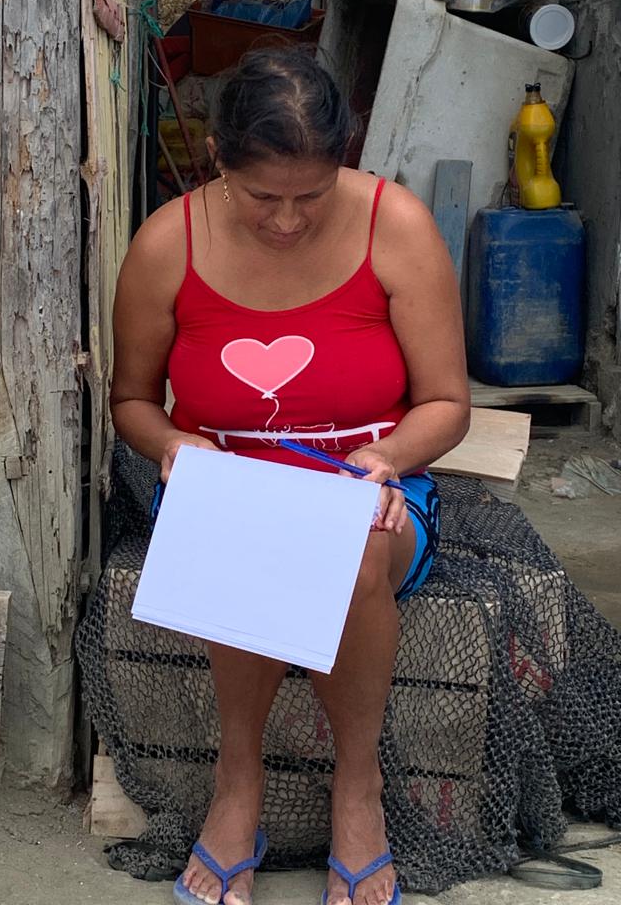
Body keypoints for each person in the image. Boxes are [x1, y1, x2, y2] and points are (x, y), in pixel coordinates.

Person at [110, 47, 470, 905]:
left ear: (344, 159)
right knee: (243, 531)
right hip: (223, 482)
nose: (286, 221)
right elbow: (131, 401)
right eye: (262, 196)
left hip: (373, 486)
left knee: (348, 546)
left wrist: (386, 459)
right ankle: (237, 783)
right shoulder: (168, 243)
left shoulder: (397, 226)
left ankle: (358, 788)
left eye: (312, 195)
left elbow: (447, 404)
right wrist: (173, 444)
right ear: (217, 160)